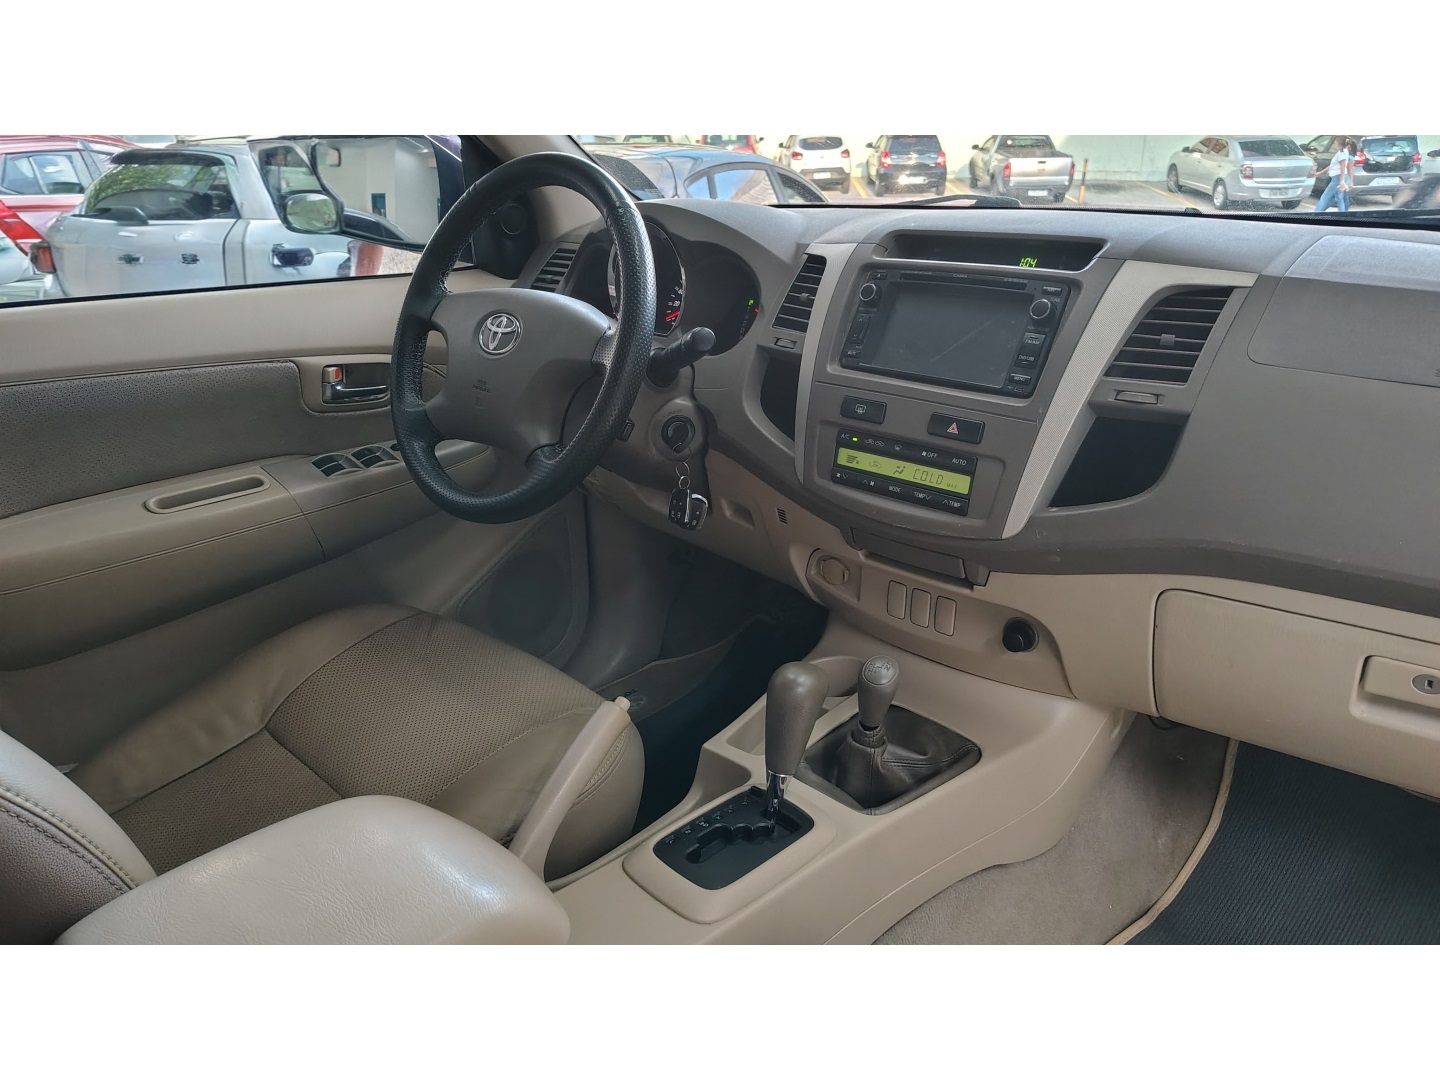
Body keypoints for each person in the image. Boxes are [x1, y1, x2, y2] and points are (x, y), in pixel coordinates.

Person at [1313, 138, 1354, 212]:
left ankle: (1317, 213)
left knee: (1325, 197)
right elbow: (1332, 165)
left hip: (1337, 178)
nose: (1334, 144)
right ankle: (1342, 213)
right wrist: (1320, 173)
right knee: (1337, 198)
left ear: (1339, 143)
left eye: (1335, 142)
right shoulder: (1343, 151)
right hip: (1338, 177)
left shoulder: (1342, 152)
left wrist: (1342, 180)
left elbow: (1343, 166)